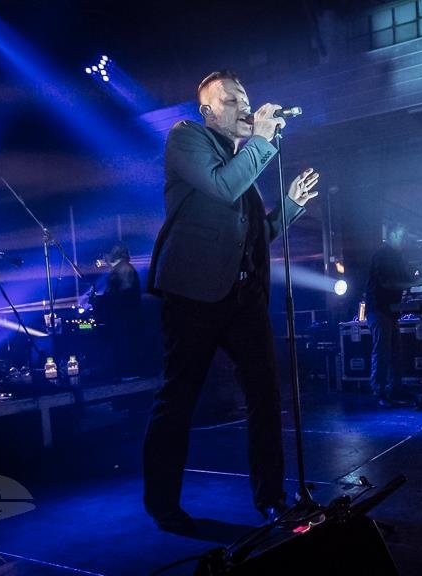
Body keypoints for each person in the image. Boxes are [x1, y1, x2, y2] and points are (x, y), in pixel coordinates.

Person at [143, 69, 320, 535]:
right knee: (179, 398)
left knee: (265, 395)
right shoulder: (187, 139)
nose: (244, 106)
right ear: (208, 111)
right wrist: (260, 142)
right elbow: (221, 187)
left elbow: (257, 235)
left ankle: (272, 499)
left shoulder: (245, 165)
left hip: (243, 297)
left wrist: (289, 205)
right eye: (231, 100)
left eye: (245, 98)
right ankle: (163, 505)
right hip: (192, 294)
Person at [364, 222, 418, 407]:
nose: (405, 240)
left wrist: (418, 282)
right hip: (378, 309)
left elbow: (405, 280)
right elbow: (387, 283)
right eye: (403, 236)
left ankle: (396, 388)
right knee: (382, 351)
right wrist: (415, 283)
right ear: (392, 235)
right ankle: (379, 390)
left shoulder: (398, 256)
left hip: (391, 310)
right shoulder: (381, 255)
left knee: (395, 352)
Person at [89, 240, 142, 380]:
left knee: (124, 344)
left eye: (106, 254)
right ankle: (124, 372)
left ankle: (128, 372)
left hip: (125, 318)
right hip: (121, 317)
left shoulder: (124, 269)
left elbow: (125, 294)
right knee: (120, 344)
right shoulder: (120, 269)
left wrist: (102, 300)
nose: (104, 257)